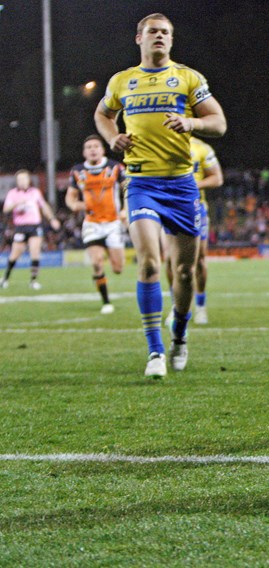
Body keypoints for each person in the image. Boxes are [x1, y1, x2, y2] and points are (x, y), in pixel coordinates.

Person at [94, 13, 227, 379]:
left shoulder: (188, 78)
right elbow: (103, 114)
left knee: (183, 271)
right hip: (141, 184)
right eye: (153, 31)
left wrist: (192, 122)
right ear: (139, 37)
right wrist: (111, 138)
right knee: (150, 263)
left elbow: (219, 122)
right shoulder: (123, 81)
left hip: (182, 186)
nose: (160, 37)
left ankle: (179, 336)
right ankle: (154, 351)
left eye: (166, 33)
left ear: (171, 40)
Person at [164, 137, 223, 326]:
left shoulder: (202, 148)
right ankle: (176, 307)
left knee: (199, 259)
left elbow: (217, 178)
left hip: (196, 207)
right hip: (169, 207)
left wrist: (192, 186)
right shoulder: (161, 142)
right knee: (169, 259)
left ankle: (200, 306)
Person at [65, 134, 127, 314]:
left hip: (113, 223)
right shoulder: (77, 171)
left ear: (102, 150)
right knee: (97, 262)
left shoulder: (115, 167)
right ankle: (106, 302)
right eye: (89, 147)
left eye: (96, 146)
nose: (92, 149)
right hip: (92, 224)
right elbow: (71, 197)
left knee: (118, 269)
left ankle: (99, 277)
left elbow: (127, 188)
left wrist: (126, 210)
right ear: (84, 152)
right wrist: (75, 205)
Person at [1, 170, 61, 290]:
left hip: (35, 226)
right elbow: (6, 209)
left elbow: (44, 206)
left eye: (25, 179)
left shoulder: (35, 192)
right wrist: (17, 203)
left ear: (29, 180)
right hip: (21, 227)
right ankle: (5, 278)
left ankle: (33, 281)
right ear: (17, 182)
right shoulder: (13, 193)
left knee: (35, 251)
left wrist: (52, 219)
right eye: (20, 179)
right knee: (15, 254)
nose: (22, 181)